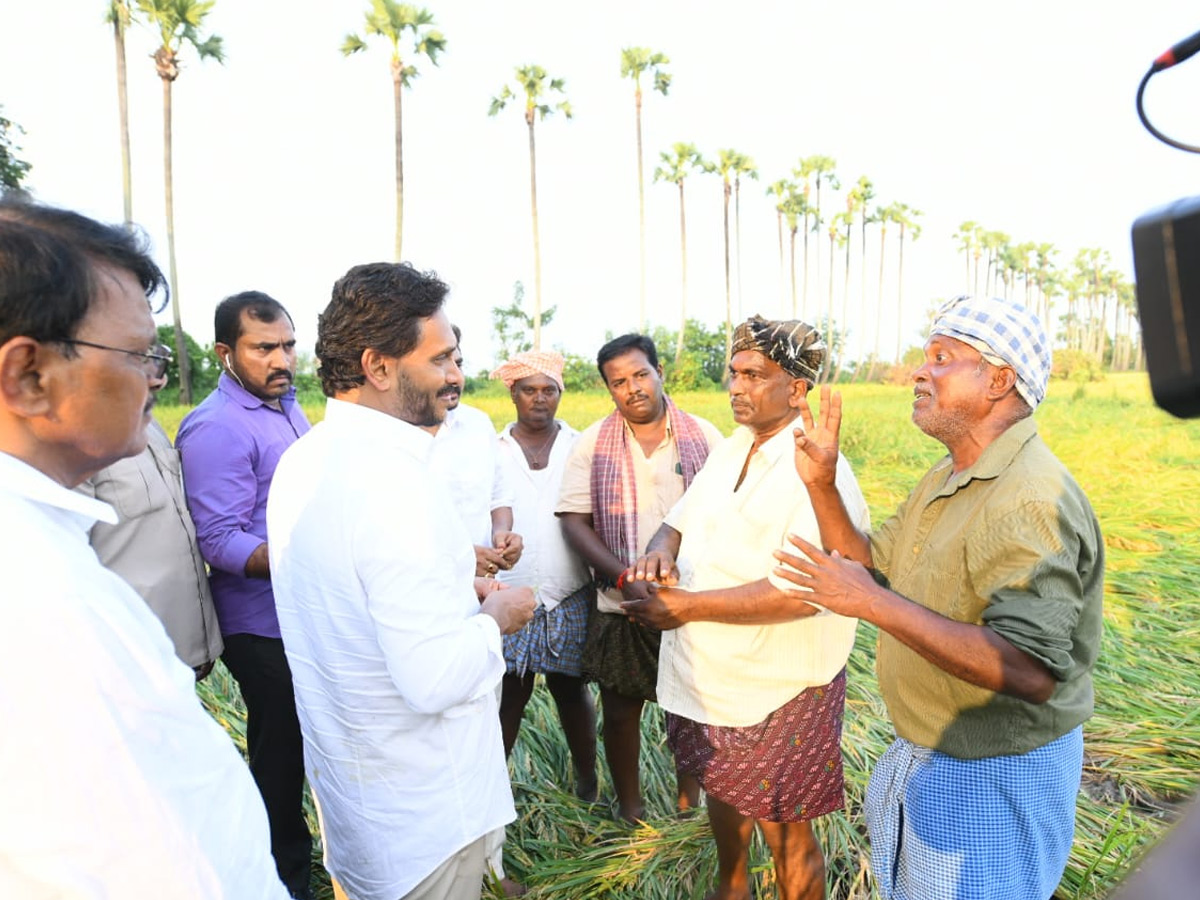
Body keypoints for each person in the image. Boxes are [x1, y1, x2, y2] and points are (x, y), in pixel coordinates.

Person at [0, 199, 288, 897]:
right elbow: (134, 858)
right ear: (29, 377)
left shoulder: (49, 549)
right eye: (138, 355)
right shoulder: (40, 603)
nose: (155, 377)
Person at [775, 295, 1104, 900]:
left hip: (992, 773)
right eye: (924, 357)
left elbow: (1029, 670)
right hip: (930, 756)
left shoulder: (1029, 499)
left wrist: (871, 604)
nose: (917, 372)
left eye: (942, 358)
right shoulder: (949, 475)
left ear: (1000, 381)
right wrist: (821, 482)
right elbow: (866, 561)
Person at [267, 261, 536, 900]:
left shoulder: (304, 460)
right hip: (427, 821)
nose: (456, 375)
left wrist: (454, 587)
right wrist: (495, 618)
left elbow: (349, 594)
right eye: (441, 359)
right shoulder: (398, 484)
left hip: (361, 809)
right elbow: (435, 678)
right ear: (378, 366)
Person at [623, 316, 870, 900]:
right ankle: (730, 888)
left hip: (779, 687)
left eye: (755, 374)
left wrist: (685, 607)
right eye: (733, 373)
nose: (735, 386)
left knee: (787, 837)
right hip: (713, 676)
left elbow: (804, 593)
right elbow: (679, 521)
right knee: (723, 792)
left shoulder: (815, 471)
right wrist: (661, 553)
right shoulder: (735, 447)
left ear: (797, 388)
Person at [176, 291, 314, 899]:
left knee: (310, 748)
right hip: (260, 627)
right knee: (280, 763)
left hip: (304, 614)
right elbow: (220, 539)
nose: (281, 358)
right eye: (264, 348)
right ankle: (280, 881)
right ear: (225, 354)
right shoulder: (216, 426)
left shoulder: (287, 406)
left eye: (287, 344)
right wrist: (311, 560)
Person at [557, 333, 723, 822]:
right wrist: (624, 578)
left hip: (688, 603)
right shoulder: (594, 445)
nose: (632, 388)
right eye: (618, 382)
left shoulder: (704, 437)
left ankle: (688, 807)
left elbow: (720, 515)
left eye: (639, 375)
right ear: (609, 390)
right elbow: (573, 521)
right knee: (623, 710)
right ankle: (630, 811)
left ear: (659, 373)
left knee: (689, 711)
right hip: (621, 602)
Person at [491, 350, 597, 800]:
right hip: (508, 593)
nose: (540, 399)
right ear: (513, 393)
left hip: (569, 591)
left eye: (548, 390)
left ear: (560, 394)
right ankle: (494, 792)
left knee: (571, 691)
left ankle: (588, 785)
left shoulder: (580, 446)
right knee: (509, 694)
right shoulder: (492, 450)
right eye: (529, 390)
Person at [79, 414, 223, 678]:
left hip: (182, 649)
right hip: (128, 658)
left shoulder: (149, 424)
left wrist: (202, 644)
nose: (158, 377)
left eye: (158, 369)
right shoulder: (71, 439)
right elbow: (65, 562)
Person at [433, 325, 522, 578]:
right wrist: (462, 560)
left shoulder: (478, 424)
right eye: (440, 366)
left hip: (486, 584)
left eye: (459, 364)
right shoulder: (396, 437)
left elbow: (499, 497)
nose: (455, 377)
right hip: (432, 586)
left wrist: (501, 534)